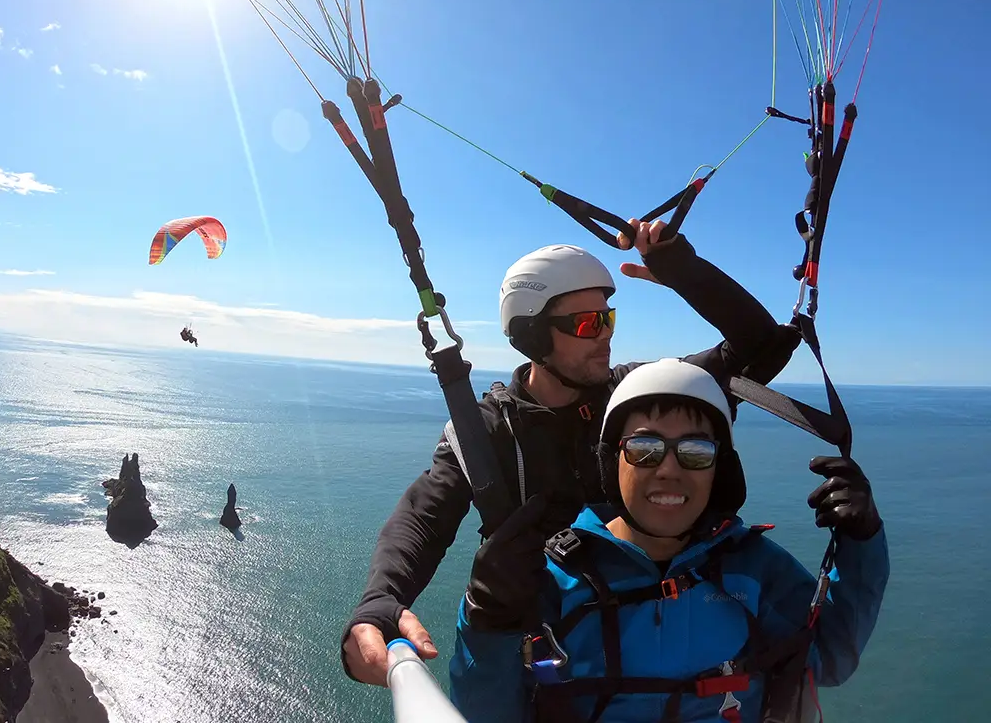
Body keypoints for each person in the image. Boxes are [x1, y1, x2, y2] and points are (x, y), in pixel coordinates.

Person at [342, 220, 805, 685]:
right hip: (557, 657)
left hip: (666, 639)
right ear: (534, 335)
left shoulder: (637, 395)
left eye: (609, 318)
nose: (604, 334)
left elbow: (761, 349)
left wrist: (684, 271)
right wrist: (381, 599)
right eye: (587, 324)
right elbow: (425, 515)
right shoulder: (490, 431)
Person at [449, 358, 889, 722]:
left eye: (696, 452)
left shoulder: (752, 568)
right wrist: (486, 616)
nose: (669, 469)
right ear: (611, 461)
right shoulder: (551, 579)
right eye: (645, 449)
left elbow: (830, 655)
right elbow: (486, 713)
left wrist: (860, 541)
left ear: (720, 473)